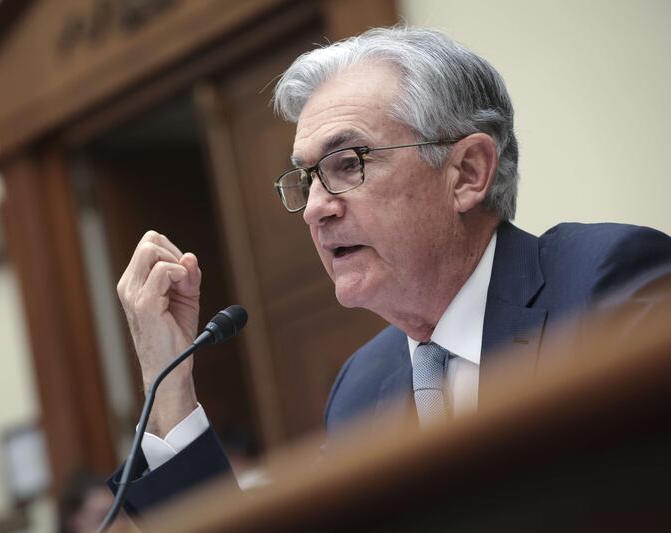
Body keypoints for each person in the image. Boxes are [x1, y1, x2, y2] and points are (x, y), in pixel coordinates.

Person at [107, 27, 671, 513]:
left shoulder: (611, 288)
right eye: (306, 180)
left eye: (348, 164)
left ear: (468, 172)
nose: (314, 208)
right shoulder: (361, 389)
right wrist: (169, 383)